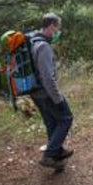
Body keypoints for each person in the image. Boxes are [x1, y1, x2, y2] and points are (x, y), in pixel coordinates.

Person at [30, 13, 74, 167]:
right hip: (46, 93)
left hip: (35, 93)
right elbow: (48, 77)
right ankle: (49, 154)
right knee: (66, 118)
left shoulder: (32, 42)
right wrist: (58, 98)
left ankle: (57, 151)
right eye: (57, 28)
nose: (58, 32)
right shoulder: (43, 47)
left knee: (51, 123)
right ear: (51, 26)